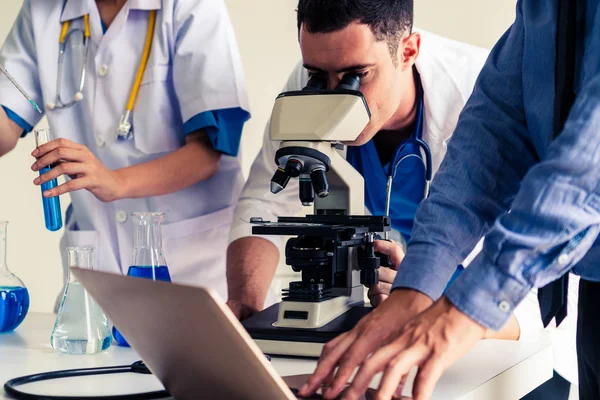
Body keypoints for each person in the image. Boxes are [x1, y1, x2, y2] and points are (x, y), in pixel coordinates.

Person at [226, 1, 578, 397]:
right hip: (385, 325)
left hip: (497, 345)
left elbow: (535, 299)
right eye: (317, 76)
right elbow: (265, 203)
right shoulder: (325, 72)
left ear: (408, 50)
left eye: (355, 77)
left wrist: (427, 298)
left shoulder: (478, 93)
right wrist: (245, 306)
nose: (332, 94)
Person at [0, 0, 249, 301]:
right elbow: (6, 125)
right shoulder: (44, 8)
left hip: (191, 270)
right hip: (97, 272)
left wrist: (116, 181)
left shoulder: (192, 6)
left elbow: (209, 151)